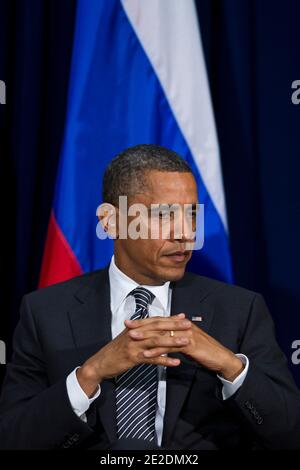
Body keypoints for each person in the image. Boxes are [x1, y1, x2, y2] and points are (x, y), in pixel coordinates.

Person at [0, 144, 300, 450]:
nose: (185, 233)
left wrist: (230, 367)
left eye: (192, 214)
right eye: (165, 215)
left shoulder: (239, 310)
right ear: (111, 222)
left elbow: (290, 433)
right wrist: (89, 375)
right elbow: (13, 440)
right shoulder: (45, 312)